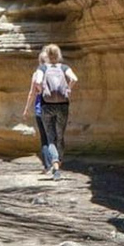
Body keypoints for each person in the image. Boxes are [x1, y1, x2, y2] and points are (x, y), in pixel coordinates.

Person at [31, 44, 78, 181]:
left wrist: (41, 90)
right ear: (58, 55)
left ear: (46, 55)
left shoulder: (42, 68)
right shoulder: (64, 67)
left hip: (47, 105)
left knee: (50, 137)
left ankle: (55, 166)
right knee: (60, 136)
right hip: (63, 105)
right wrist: (68, 89)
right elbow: (74, 79)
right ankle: (59, 162)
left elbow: (38, 82)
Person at [23, 50, 51, 173]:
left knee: (44, 138)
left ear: (39, 61)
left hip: (41, 108)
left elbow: (31, 94)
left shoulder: (36, 74)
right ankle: (56, 163)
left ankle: (48, 165)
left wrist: (26, 109)